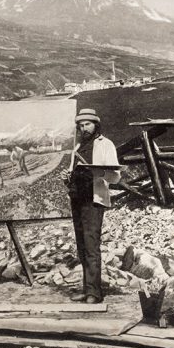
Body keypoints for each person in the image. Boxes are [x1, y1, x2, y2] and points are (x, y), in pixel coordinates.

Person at [61, 108, 121, 304]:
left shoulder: (106, 145)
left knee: (91, 246)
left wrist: (100, 173)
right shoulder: (77, 146)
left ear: (96, 125)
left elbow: (115, 176)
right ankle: (87, 289)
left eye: (87, 124)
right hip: (77, 199)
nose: (83, 128)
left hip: (93, 201)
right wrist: (66, 178)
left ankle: (94, 293)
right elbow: (73, 173)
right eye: (80, 125)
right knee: (81, 245)